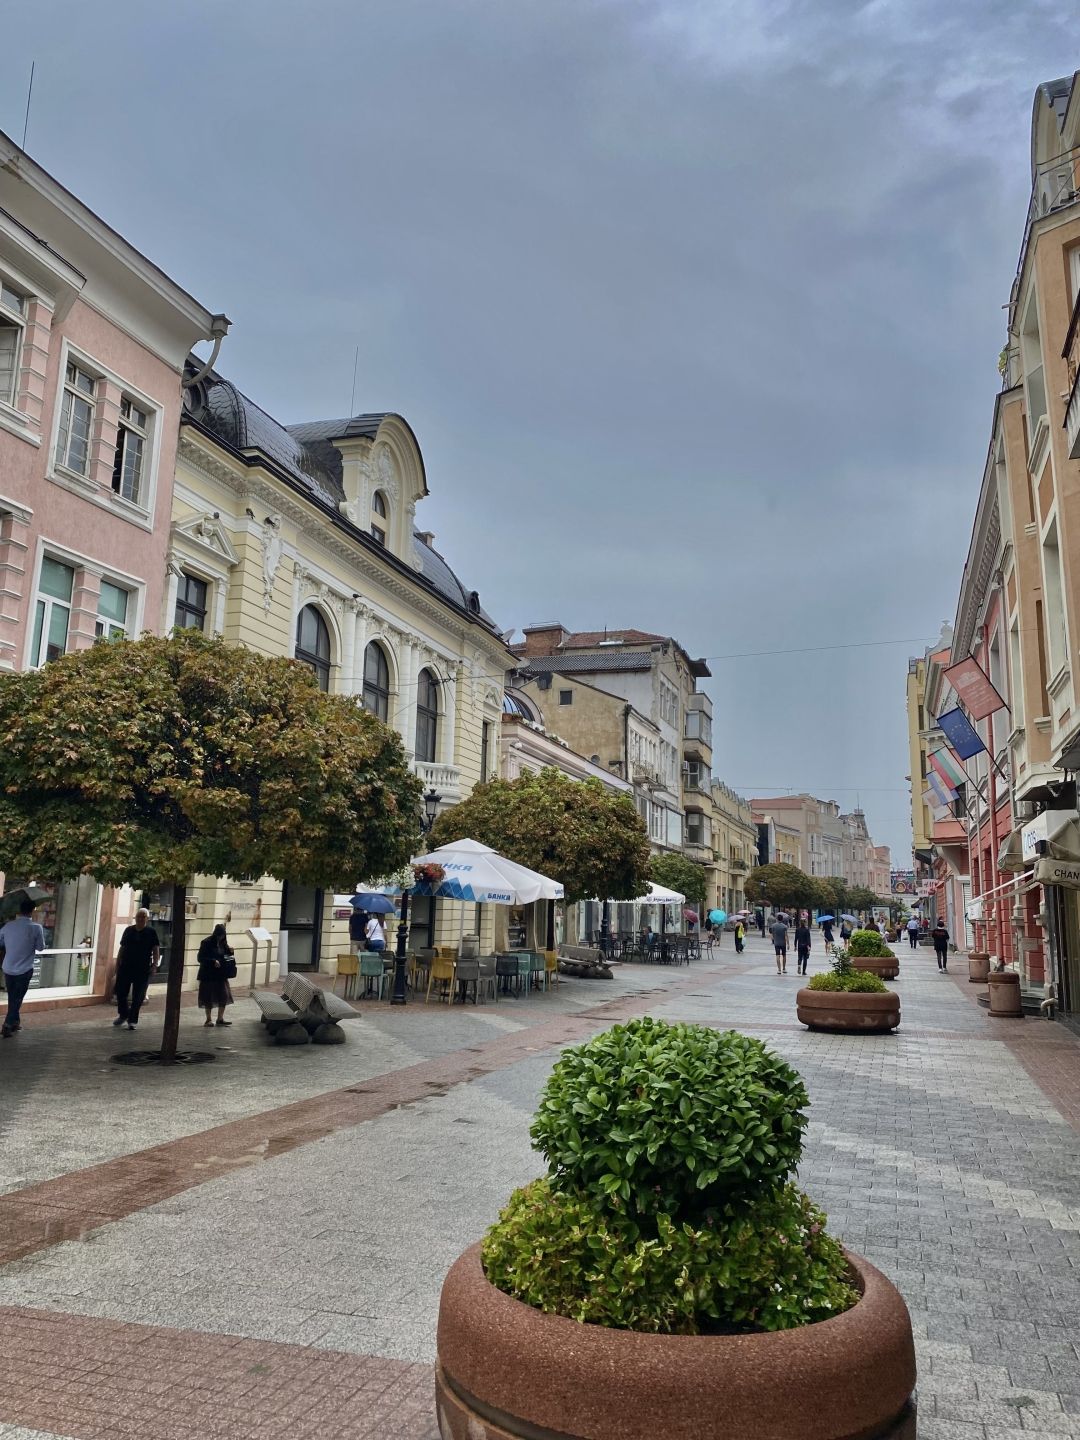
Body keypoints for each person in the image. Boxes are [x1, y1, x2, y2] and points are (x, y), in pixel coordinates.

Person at [0, 898, 45, 1038]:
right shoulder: (36, 928)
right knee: (17, 998)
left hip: (8, 967)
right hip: (24, 969)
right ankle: (7, 1024)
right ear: (32, 911)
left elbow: (0, 942)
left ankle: (15, 1022)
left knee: (13, 996)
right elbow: (40, 948)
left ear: (19, 910)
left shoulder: (8, 926)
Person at [112, 907, 161, 1031]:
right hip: (126, 966)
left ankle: (132, 1020)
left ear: (147, 919)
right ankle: (123, 1014)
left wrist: (155, 965)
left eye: (143, 917)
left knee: (138, 996)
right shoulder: (129, 930)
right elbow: (122, 948)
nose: (140, 919)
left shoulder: (151, 932)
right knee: (121, 992)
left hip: (143, 968)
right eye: (139, 916)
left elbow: (156, 950)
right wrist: (117, 963)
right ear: (135, 917)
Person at [197, 924, 235, 1027]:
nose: (221, 938)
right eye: (219, 935)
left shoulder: (223, 943)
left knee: (224, 995)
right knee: (208, 996)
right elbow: (200, 958)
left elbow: (226, 956)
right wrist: (213, 961)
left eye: (222, 936)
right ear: (216, 934)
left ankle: (220, 1018)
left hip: (220, 974)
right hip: (208, 974)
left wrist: (231, 952)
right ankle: (208, 1019)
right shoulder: (206, 942)